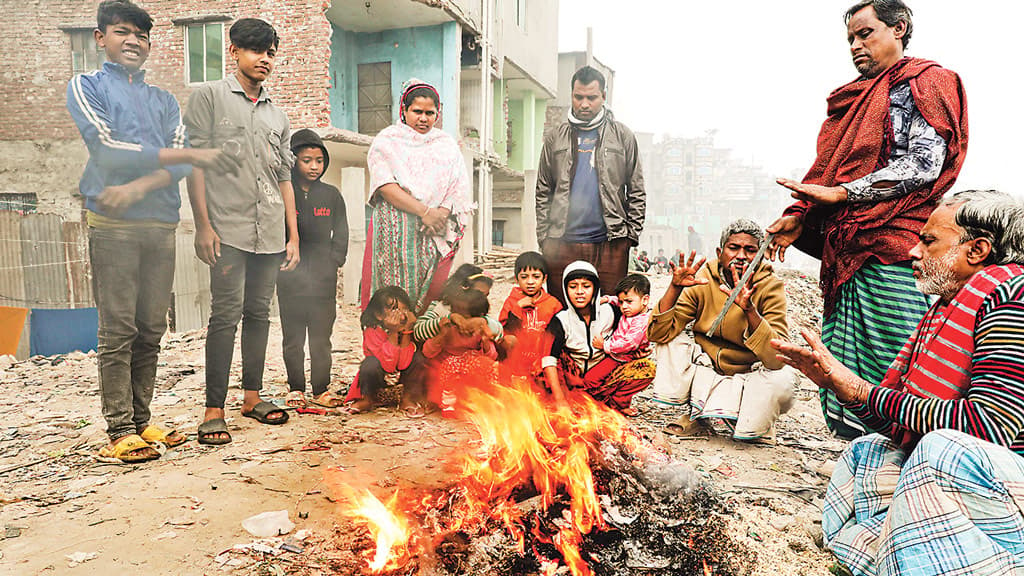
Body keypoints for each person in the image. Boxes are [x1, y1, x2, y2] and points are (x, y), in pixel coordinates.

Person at [773, 190, 1024, 576]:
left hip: (1006, 476)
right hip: (979, 477)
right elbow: (900, 426)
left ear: (977, 250)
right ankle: (896, 557)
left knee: (942, 450)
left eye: (928, 241)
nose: (912, 252)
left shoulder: (1012, 297)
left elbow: (988, 425)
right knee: (868, 452)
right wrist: (843, 386)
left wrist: (864, 391)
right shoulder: (946, 308)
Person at [765, 0, 968, 440]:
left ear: (899, 28)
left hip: (896, 242)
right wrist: (800, 217)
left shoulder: (927, 82)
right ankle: (858, 447)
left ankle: (910, 444)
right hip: (848, 245)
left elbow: (922, 165)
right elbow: (829, 167)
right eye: (851, 39)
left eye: (866, 33)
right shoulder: (855, 96)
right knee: (843, 353)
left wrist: (844, 193)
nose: (857, 45)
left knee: (897, 352)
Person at [67, 0, 240, 462]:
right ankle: (119, 428)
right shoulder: (86, 86)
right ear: (101, 38)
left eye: (142, 35)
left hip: (160, 223)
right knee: (117, 328)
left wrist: (144, 181)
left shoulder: (164, 100)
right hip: (114, 225)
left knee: (150, 327)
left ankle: (143, 421)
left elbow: (183, 157)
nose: (133, 41)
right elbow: (105, 146)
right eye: (123, 32)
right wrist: (181, 159)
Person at [184, 18, 299, 444]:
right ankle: (214, 408)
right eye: (255, 50)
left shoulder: (278, 116)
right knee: (225, 316)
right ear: (234, 51)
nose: (264, 59)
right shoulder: (210, 98)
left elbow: (283, 178)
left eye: (270, 51)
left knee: (259, 316)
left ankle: (252, 398)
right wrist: (203, 226)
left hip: (269, 233)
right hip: (227, 231)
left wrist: (293, 234)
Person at [649, 219, 796, 443]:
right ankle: (698, 416)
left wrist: (750, 311)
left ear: (760, 255)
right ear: (720, 252)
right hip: (706, 368)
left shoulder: (770, 286)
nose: (741, 256)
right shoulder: (704, 279)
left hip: (748, 374)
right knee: (670, 342)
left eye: (750, 250)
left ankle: (756, 423)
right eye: (733, 248)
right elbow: (658, 334)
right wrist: (675, 288)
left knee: (784, 378)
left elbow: (777, 358)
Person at [360, 79, 474, 314]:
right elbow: (385, 185)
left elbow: (458, 185)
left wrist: (440, 215)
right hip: (395, 233)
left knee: (430, 297)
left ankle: (420, 345)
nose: (423, 118)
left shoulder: (446, 144)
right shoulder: (387, 141)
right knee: (391, 296)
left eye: (430, 113)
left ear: (437, 114)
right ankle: (388, 348)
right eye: (417, 112)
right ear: (404, 110)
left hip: (434, 231)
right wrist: (424, 212)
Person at [536, 65, 645, 304]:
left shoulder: (622, 136)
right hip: (561, 242)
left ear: (603, 97)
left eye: (592, 98)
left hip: (611, 242)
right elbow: (543, 190)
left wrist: (629, 237)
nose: (584, 104)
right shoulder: (556, 137)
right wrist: (545, 237)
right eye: (578, 97)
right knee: (561, 312)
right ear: (571, 95)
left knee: (609, 311)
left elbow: (636, 189)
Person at [277, 129, 347, 409]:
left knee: (321, 338)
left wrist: (334, 261)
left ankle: (321, 388)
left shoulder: (331, 195)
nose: (314, 166)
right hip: (289, 277)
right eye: (307, 160)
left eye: (319, 160)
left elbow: (341, 232)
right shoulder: (284, 193)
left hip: (322, 280)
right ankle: (296, 388)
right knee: (292, 337)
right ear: (293, 161)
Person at [541, 261, 655, 416]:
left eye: (586, 286)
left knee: (645, 369)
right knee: (541, 362)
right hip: (572, 381)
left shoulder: (611, 312)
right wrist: (560, 400)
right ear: (565, 289)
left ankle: (609, 402)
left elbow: (640, 323)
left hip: (603, 377)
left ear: (595, 289)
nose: (579, 292)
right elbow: (549, 359)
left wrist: (638, 349)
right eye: (573, 286)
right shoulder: (561, 320)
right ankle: (572, 399)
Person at [344, 286, 425, 416]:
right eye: (394, 309)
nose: (400, 314)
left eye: (404, 309)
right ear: (379, 315)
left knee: (419, 358)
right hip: (379, 378)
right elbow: (387, 366)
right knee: (369, 363)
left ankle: (407, 399)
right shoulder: (372, 331)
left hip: (401, 379)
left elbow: (404, 364)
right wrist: (393, 332)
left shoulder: (408, 328)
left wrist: (406, 331)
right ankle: (367, 399)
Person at [422, 288, 499, 418]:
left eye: (469, 317)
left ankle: (484, 400)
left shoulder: (480, 329)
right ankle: (449, 403)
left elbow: (491, 356)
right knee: (451, 364)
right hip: (448, 372)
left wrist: (485, 341)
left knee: (490, 366)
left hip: (472, 370)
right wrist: (441, 335)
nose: (464, 322)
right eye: (459, 315)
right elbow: (427, 352)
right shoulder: (449, 327)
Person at [583, 274, 653, 406]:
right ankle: (618, 403)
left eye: (628, 302)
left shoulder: (641, 321)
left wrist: (604, 345)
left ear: (645, 300)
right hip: (619, 354)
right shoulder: (633, 310)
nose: (623, 306)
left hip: (620, 356)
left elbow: (629, 344)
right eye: (621, 302)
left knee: (591, 379)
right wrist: (608, 299)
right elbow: (621, 299)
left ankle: (595, 402)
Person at [499, 251, 563, 376]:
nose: (530, 282)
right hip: (516, 361)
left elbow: (558, 336)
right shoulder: (512, 301)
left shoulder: (553, 304)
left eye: (536, 276)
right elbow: (504, 333)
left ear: (544, 278)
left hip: (542, 362)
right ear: (517, 279)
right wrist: (518, 308)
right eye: (524, 277)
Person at [413, 263, 504, 347]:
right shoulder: (441, 308)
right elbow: (418, 333)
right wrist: (448, 319)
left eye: (486, 295)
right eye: (479, 294)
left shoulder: (478, 312)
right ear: (460, 290)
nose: (483, 300)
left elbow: (500, 332)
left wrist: (483, 322)